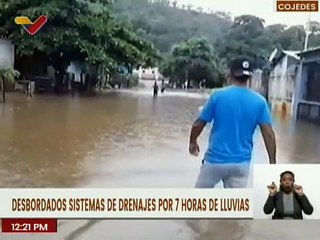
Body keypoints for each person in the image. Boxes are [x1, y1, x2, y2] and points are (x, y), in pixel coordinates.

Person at [189, 56, 276, 188]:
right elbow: (268, 134)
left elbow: (198, 123)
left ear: (229, 74)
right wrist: (272, 162)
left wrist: (192, 142)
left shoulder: (217, 96)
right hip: (241, 165)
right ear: (250, 77)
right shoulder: (260, 102)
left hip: (214, 161)